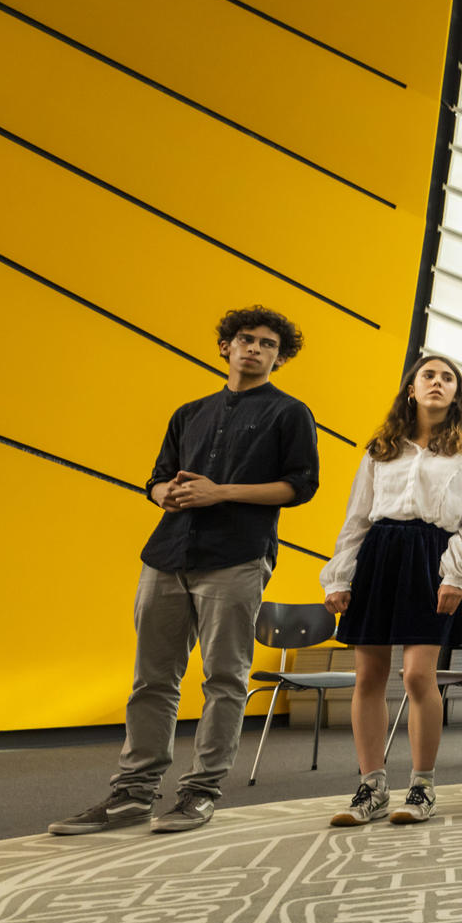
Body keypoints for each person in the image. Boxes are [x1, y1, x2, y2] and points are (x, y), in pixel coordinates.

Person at [50, 306, 319, 836]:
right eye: (246, 339)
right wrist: (164, 494)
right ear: (225, 346)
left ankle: (200, 793)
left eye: (268, 344)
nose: (255, 349)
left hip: (237, 556)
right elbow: (153, 479)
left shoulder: (290, 413)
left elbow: (301, 486)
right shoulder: (188, 413)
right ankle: (132, 794)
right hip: (167, 555)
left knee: (224, 679)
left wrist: (221, 492)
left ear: (278, 358)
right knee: (151, 678)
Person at [323, 355, 462, 826]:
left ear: (457, 393)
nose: (437, 383)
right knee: (367, 677)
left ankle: (422, 787)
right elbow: (358, 515)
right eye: (428, 376)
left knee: (418, 675)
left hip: (431, 558)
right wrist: (340, 574)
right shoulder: (382, 446)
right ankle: (372, 786)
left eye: (447, 378)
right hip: (379, 555)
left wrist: (454, 574)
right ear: (411, 389)